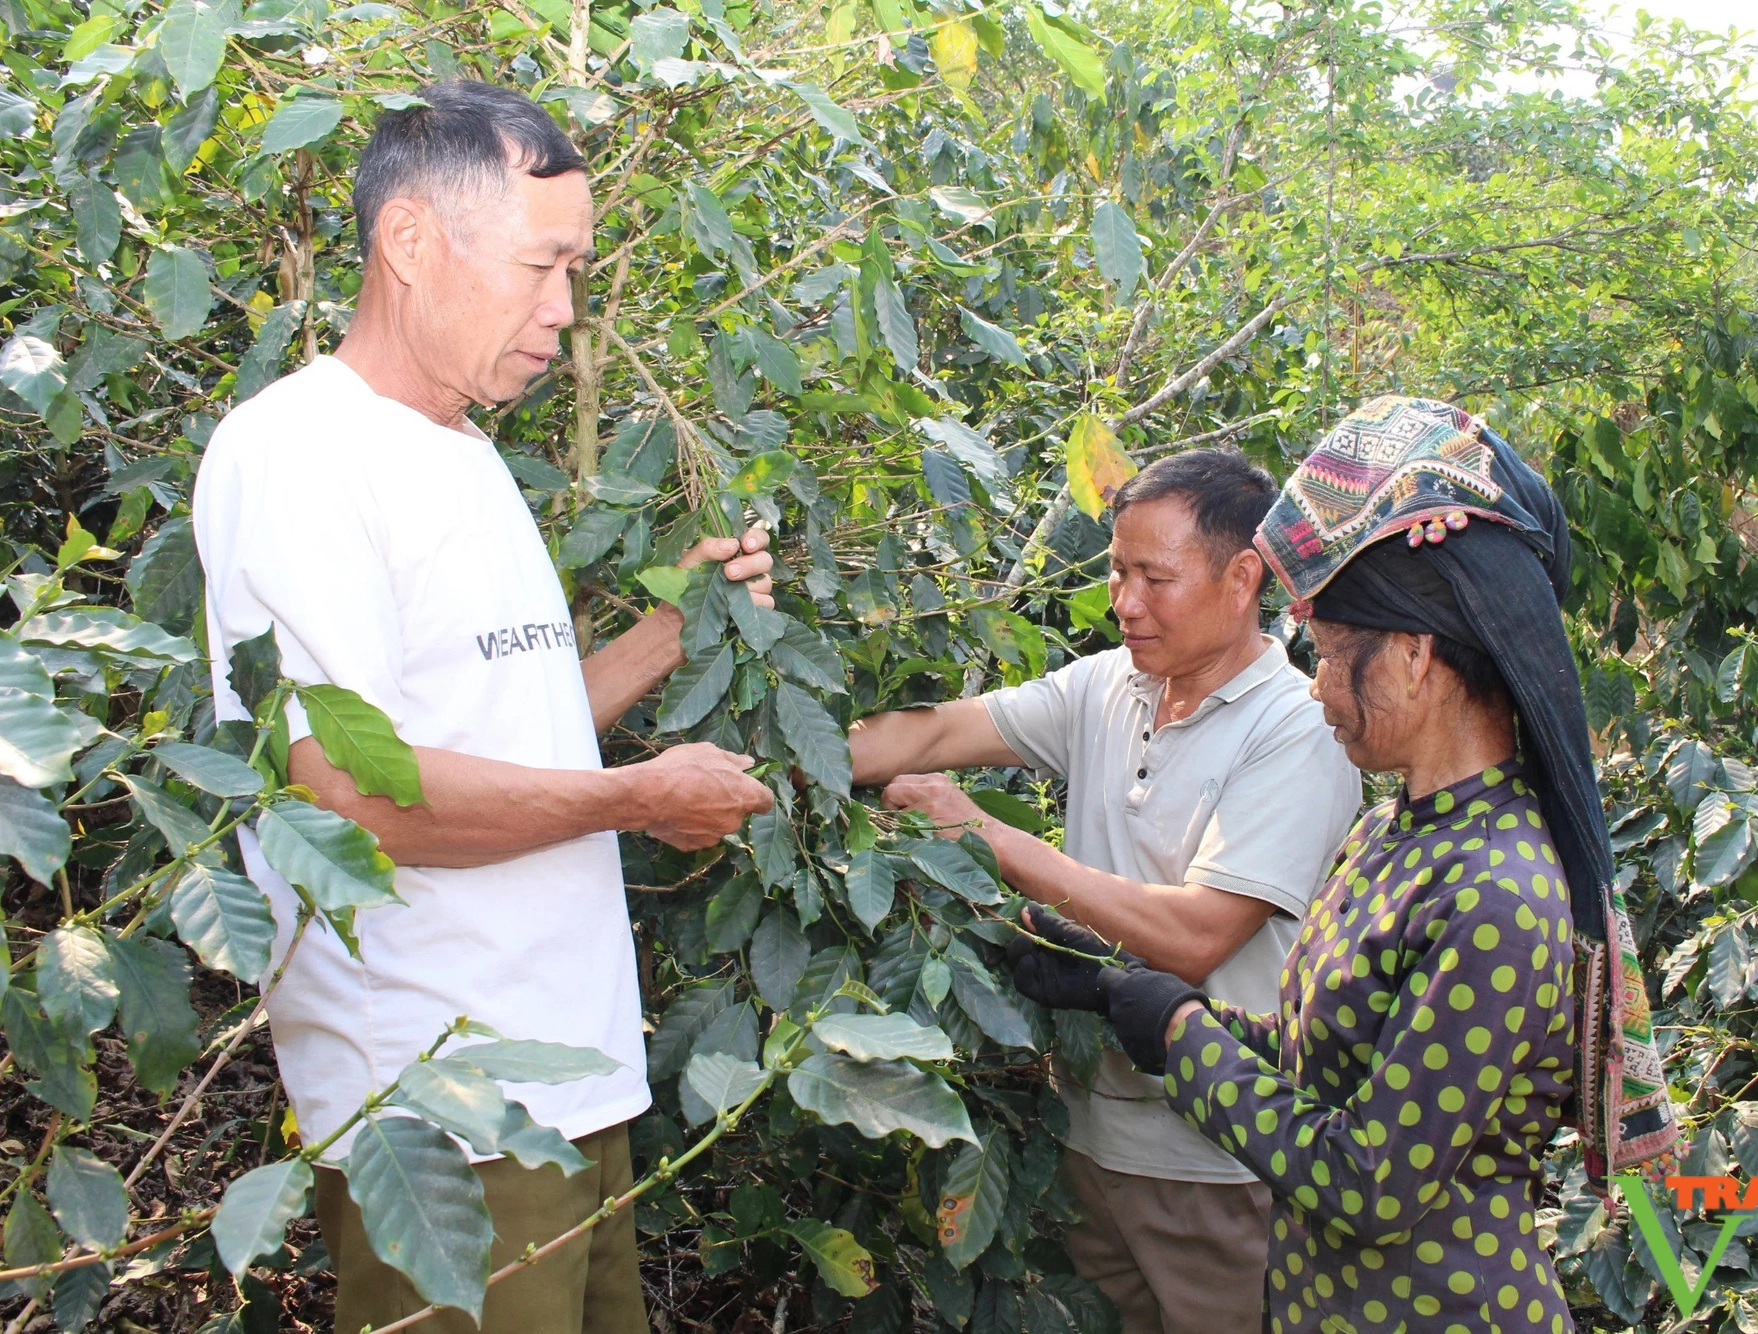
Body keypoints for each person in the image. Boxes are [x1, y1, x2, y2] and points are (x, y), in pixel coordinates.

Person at [193, 81, 777, 1334]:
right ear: (411, 242)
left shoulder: (463, 451)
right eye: (541, 264)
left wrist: (677, 630)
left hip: (566, 1079)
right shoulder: (298, 453)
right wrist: (634, 800)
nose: (563, 309)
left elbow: (508, 728)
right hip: (439, 1112)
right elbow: (346, 792)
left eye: (573, 268)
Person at [1010, 397, 1682, 1334]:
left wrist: (1178, 1036)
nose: (1315, 686)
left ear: (1412, 657)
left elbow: (1368, 1181)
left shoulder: (1496, 892)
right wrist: (1120, 990)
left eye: (1330, 656)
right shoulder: (1396, 834)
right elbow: (1321, 1058)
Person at [848, 449, 1362, 1334]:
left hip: (1217, 1160)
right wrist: (775, 757)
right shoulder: (1107, 686)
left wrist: (988, 837)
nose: (1126, 602)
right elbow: (932, 737)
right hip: (1084, 1136)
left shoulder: (1298, 729)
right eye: (1118, 571)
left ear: (1244, 577)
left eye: (1155, 578)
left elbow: (1202, 935)